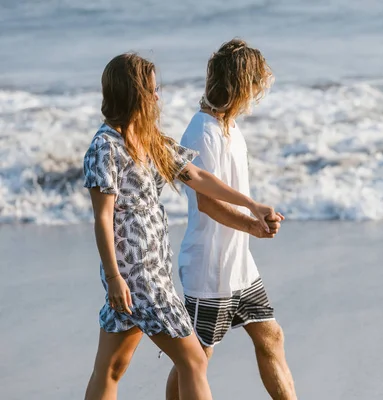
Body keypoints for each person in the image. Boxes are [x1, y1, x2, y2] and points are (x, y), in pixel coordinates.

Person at [83, 52, 276, 400]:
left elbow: (197, 176)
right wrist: (114, 279)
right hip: (135, 277)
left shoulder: (149, 138)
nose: (158, 96)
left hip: (154, 272)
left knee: (111, 368)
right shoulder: (105, 147)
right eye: (153, 90)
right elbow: (102, 217)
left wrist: (251, 204)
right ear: (134, 92)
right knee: (194, 361)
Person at [166, 39, 297, 400]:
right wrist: (253, 223)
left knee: (271, 336)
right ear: (240, 85)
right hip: (210, 268)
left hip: (241, 265)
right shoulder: (202, 131)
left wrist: (251, 224)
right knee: (195, 360)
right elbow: (207, 204)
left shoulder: (229, 126)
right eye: (255, 85)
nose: (257, 93)